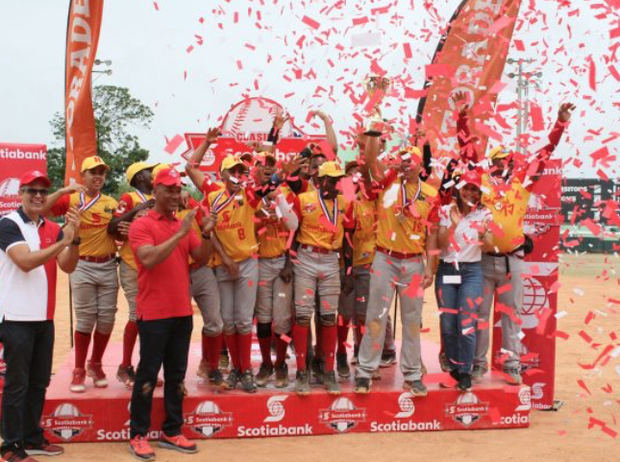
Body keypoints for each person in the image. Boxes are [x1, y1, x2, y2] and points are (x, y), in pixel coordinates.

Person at [455, 93, 574, 384]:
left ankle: (511, 366)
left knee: (512, 315)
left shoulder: (521, 185)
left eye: (506, 162)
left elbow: (545, 152)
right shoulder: (482, 183)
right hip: (482, 261)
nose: (501, 166)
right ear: (490, 165)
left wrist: (560, 123)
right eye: (496, 162)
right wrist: (462, 116)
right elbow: (468, 149)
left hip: (512, 261)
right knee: (480, 315)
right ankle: (479, 365)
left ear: (512, 164)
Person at [127, 167, 214, 461]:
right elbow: (149, 259)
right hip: (153, 312)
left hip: (181, 311)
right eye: (170, 189)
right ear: (156, 192)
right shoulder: (142, 224)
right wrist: (180, 234)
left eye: (178, 189)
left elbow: (201, 258)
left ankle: (172, 429)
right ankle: (138, 434)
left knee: (177, 375)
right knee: (148, 375)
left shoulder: (182, 224)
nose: (176, 195)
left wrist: (208, 231)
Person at [0, 170, 80, 462]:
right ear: (20, 194)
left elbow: (68, 266)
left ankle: (32, 436)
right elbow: (24, 262)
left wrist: (74, 239)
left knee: (38, 382)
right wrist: (63, 241)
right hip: (16, 317)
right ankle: (10, 446)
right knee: (17, 384)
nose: (37, 196)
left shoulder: (51, 227)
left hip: (43, 318)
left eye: (42, 192)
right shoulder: (8, 224)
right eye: (31, 191)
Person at [354, 139, 439, 396]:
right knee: (376, 315)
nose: (407, 166)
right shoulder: (387, 185)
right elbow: (369, 170)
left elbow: (432, 233)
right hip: (384, 259)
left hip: (413, 262)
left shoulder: (430, 194)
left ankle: (412, 374)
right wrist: (374, 140)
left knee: (412, 320)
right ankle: (365, 371)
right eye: (402, 162)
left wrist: (431, 267)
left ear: (420, 165)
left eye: (411, 162)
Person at [46, 155, 119, 393]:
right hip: (82, 265)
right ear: (83, 176)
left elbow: (117, 232)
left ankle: (95, 364)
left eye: (102, 172)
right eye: (93, 172)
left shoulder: (110, 202)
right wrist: (63, 190)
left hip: (108, 264)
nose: (98, 176)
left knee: (107, 319)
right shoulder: (71, 200)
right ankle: (78, 369)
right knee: (86, 319)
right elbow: (44, 207)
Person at [290, 161, 353, 395]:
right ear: (320, 181)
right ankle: (301, 372)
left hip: (330, 261)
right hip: (306, 259)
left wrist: (348, 269)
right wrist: (290, 260)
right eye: (333, 180)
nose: (337, 185)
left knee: (328, 317)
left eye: (339, 180)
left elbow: (349, 238)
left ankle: (328, 370)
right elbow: (292, 232)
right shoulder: (304, 200)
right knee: (303, 315)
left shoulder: (344, 203)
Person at [206, 155, 263, 393]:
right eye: (232, 171)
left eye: (241, 172)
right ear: (222, 175)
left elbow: (262, 187)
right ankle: (235, 369)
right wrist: (226, 258)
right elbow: (209, 231)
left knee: (242, 320)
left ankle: (245, 369)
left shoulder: (248, 196)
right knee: (227, 321)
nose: (237, 176)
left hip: (247, 264)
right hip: (222, 264)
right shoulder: (212, 198)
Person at [435, 169, 492, 391]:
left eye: (474, 189)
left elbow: (489, 244)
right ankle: (454, 368)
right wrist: (453, 224)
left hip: (471, 272)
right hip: (447, 269)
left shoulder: (485, 214)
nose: (470, 192)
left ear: (479, 193)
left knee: (466, 324)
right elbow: (441, 243)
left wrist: (484, 235)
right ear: (459, 190)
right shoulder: (446, 210)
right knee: (448, 325)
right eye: (466, 188)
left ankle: (466, 370)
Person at [108, 161, 157, 387]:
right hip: (131, 264)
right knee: (138, 315)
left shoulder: (159, 198)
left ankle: (146, 368)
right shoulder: (130, 198)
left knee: (152, 319)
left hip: (153, 266)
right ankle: (125, 366)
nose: (153, 174)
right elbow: (113, 227)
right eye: (150, 171)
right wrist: (137, 210)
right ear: (139, 178)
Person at [253, 152, 298, 387]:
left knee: (282, 320)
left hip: (282, 264)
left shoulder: (285, 194)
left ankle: (280, 363)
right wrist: (259, 215)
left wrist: (278, 197)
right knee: (263, 318)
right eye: (262, 166)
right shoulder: (250, 197)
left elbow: (293, 226)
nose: (267, 169)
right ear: (255, 171)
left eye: (271, 165)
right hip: (259, 264)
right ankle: (265, 363)